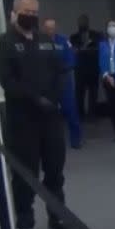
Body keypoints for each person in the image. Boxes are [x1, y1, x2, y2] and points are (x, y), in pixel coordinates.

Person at [0, 0, 71, 229]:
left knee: (55, 169)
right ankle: (25, 221)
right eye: (27, 13)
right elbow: (8, 81)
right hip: (23, 119)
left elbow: (61, 71)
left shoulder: (46, 40)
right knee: (25, 173)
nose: (31, 17)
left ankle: (57, 215)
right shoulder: (3, 43)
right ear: (13, 13)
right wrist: (37, 99)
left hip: (51, 117)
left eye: (35, 13)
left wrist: (54, 98)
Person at [42, 18, 81, 149]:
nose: (50, 30)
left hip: (64, 79)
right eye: (47, 28)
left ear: (56, 28)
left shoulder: (64, 40)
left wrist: (62, 68)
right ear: (44, 28)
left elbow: (71, 59)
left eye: (52, 28)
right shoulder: (39, 41)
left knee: (70, 110)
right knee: (48, 112)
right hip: (47, 81)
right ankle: (50, 143)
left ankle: (76, 140)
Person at [69, 13, 102, 119]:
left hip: (93, 68)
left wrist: (82, 50)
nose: (82, 23)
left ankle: (92, 115)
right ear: (77, 23)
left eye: (84, 21)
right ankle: (80, 115)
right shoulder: (73, 37)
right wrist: (85, 49)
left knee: (93, 94)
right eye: (80, 21)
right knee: (79, 94)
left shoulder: (96, 35)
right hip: (80, 69)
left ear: (88, 22)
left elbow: (98, 50)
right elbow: (73, 51)